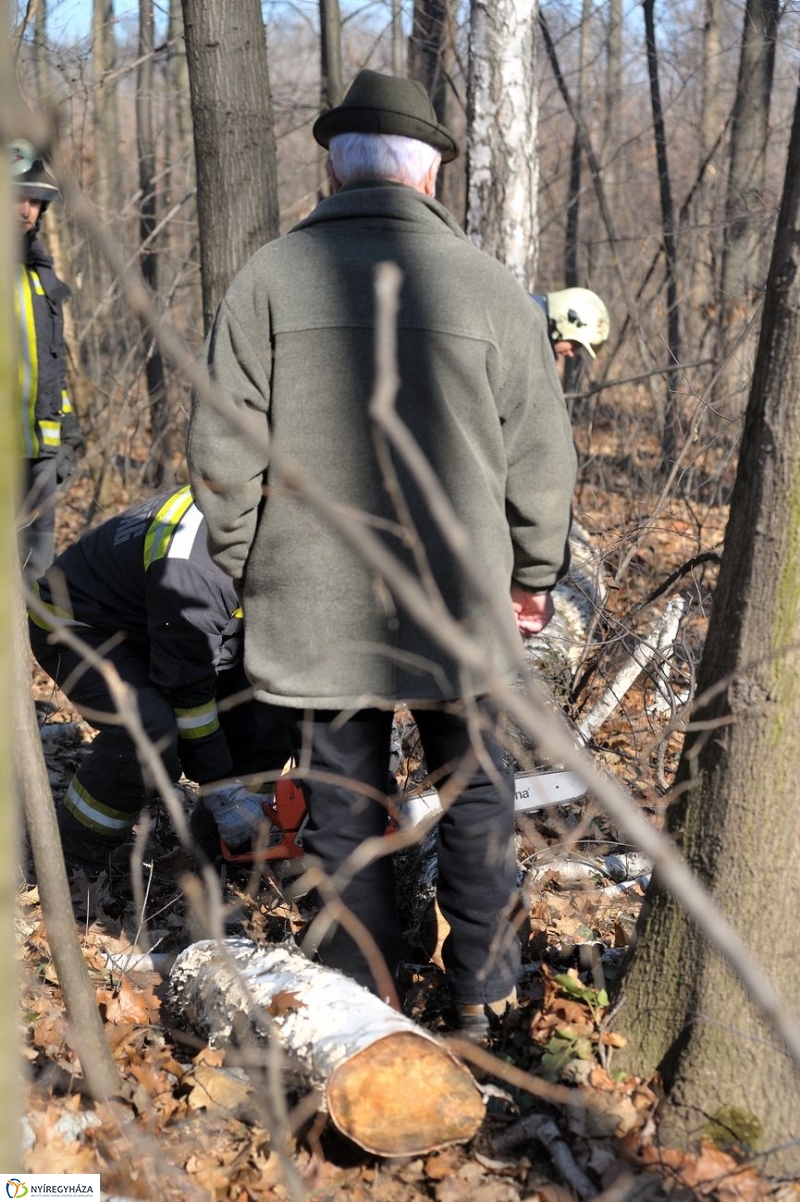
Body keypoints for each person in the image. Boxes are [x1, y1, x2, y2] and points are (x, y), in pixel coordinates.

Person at [187, 69, 577, 1035]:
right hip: (460, 594)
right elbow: (541, 458)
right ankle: (485, 996)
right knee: (477, 796)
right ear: (431, 177)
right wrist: (532, 576)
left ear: (334, 165)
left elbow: (222, 457)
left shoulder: (268, 279)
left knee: (340, 813)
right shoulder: (491, 289)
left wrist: (248, 564)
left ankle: (362, 1013)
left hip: (313, 599)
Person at [28, 485, 293, 879]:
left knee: (264, 709)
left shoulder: (277, 522)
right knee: (151, 731)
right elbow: (187, 691)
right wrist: (220, 788)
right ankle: (74, 862)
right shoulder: (196, 571)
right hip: (77, 622)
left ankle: (220, 856)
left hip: (156, 622)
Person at [12, 138, 85, 583]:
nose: (25, 209)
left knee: (38, 573)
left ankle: (36, 652)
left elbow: (50, 365)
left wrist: (68, 431)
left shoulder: (41, 276)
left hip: (41, 453)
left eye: (35, 200)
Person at [531, 287, 610, 359]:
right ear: (566, 324)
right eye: (575, 345)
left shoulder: (533, 339)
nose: (571, 354)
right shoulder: (525, 331)